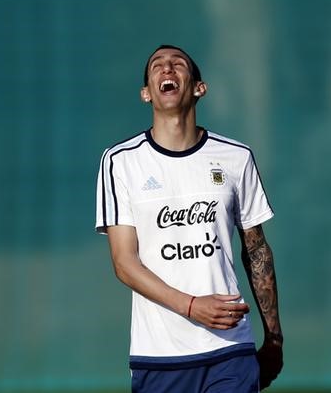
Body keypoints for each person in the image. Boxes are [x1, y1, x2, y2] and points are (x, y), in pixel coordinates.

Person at [96, 44, 283, 392]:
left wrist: (274, 338)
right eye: (157, 66)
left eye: (178, 64)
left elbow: (256, 251)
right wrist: (191, 306)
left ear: (199, 87)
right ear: (146, 93)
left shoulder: (235, 157)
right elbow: (124, 262)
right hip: (160, 355)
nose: (167, 69)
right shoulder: (120, 161)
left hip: (230, 349)